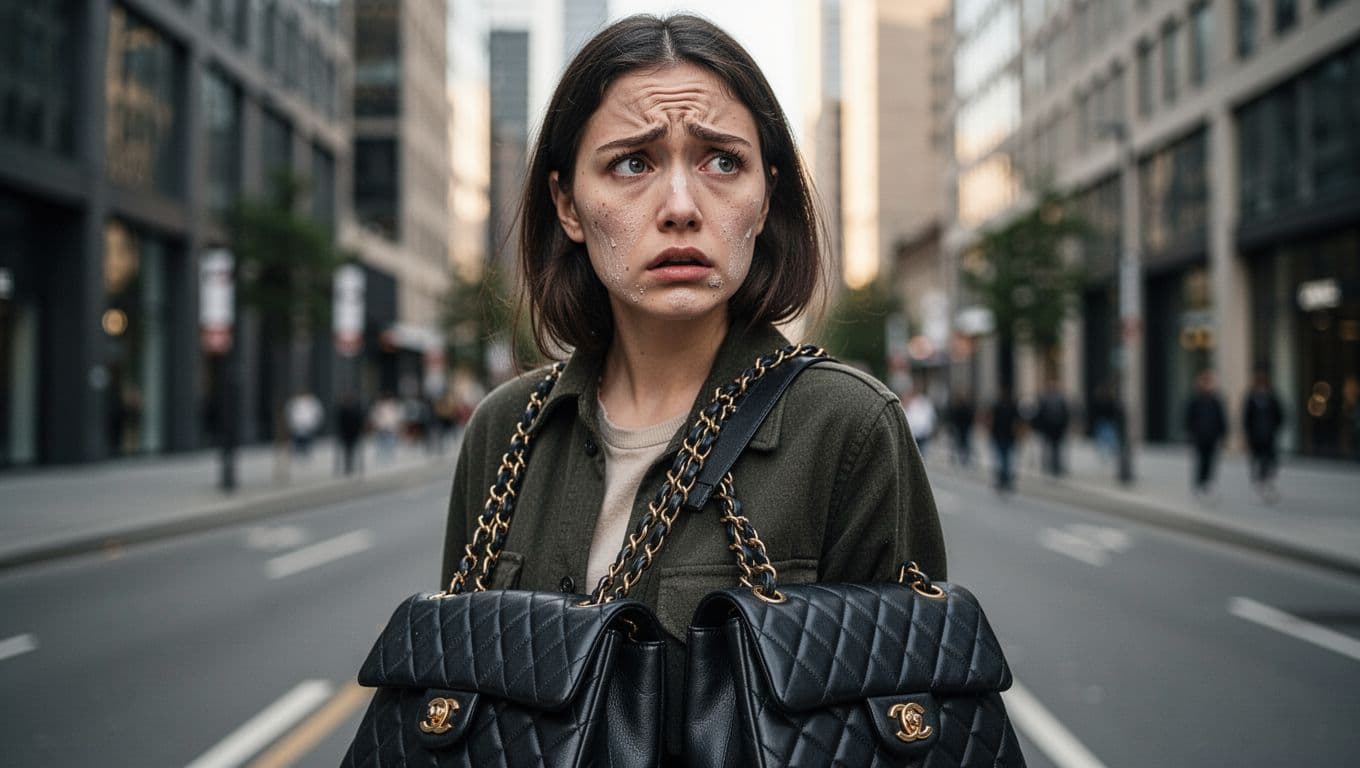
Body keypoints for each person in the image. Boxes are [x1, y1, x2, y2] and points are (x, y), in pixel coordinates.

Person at [437, 15, 945, 763]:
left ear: (766, 196)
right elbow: (454, 704)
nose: (681, 205)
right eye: (632, 164)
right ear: (569, 204)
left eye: (721, 162)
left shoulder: (850, 428)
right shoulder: (504, 431)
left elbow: (905, 723)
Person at [1242, 364, 1285, 502]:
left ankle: (1266, 480)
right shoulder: (1251, 398)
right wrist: (1248, 434)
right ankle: (1260, 481)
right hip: (1256, 436)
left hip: (1269, 434)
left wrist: (1274, 428)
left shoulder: (1272, 397)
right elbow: (1246, 418)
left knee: (1270, 459)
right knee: (1257, 459)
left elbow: (1280, 415)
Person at [1185, 368, 1228, 496]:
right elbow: (1188, 418)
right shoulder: (1194, 400)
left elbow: (1221, 419)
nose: (1207, 385)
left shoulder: (1216, 401)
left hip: (1212, 435)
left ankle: (1207, 482)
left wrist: (1223, 434)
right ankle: (1199, 482)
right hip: (1199, 436)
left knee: (1210, 460)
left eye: (1209, 382)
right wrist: (1190, 434)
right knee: (1201, 460)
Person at [1032, 378, 1070, 476]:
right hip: (1051, 428)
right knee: (1052, 448)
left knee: (1053, 448)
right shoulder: (1048, 399)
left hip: (1054, 428)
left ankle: (1053, 466)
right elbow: (1040, 414)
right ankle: (1052, 466)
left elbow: (1065, 414)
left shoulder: (1053, 399)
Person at [986, 387, 1021, 493]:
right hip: (1004, 436)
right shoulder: (1007, 406)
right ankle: (1004, 479)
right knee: (1005, 458)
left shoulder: (1000, 406)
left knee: (1003, 458)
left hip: (1003, 436)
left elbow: (1016, 422)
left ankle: (1003, 479)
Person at [285, 389, 323, 459]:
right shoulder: (295, 402)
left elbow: (317, 413)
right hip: (297, 426)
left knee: (308, 442)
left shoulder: (312, 402)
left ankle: (307, 455)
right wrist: (293, 424)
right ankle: (298, 456)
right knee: (298, 442)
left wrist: (314, 423)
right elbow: (290, 414)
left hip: (309, 426)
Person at [335, 392, 365, 476]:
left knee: (353, 451)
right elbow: (339, 422)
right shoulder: (343, 409)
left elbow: (359, 421)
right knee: (348, 451)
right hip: (346, 433)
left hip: (353, 433)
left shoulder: (355, 409)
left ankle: (355, 467)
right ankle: (348, 467)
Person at [903, 388, 938, 458]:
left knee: (921, 453)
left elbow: (930, 417)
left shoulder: (925, 403)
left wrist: (929, 429)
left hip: (923, 433)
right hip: (913, 433)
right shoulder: (910, 403)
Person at [945, 388, 977, 467]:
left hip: (964, 427)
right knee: (959, 443)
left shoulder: (964, 407)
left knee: (964, 443)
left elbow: (970, 417)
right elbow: (953, 417)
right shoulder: (957, 407)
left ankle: (963, 458)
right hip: (959, 427)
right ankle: (959, 458)